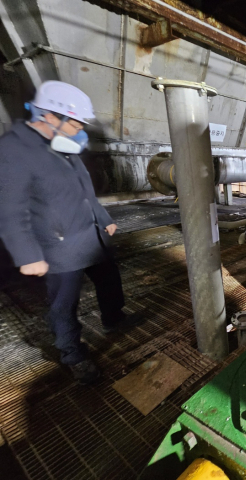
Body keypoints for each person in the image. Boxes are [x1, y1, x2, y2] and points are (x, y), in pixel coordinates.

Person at [0, 81, 144, 385]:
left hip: (90, 235)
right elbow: (9, 209)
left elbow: (85, 192)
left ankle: (113, 318)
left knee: (109, 279)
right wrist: (27, 254)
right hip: (59, 245)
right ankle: (72, 355)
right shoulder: (14, 150)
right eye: (76, 121)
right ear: (50, 116)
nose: (80, 128)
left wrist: (104, 218)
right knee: (63, 304)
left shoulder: (62, 145)